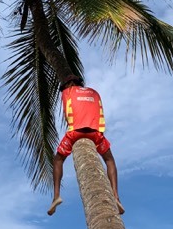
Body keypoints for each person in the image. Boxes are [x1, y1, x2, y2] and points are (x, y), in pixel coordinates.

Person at [47, 75, 123, 216]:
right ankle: (116, 196)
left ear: (69, 84)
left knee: (58, 160)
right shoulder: (94, 93)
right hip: (96, 135)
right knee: (109, 161)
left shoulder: (67, 92)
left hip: (75, 134)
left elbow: (68, 115)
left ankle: (56, 195)